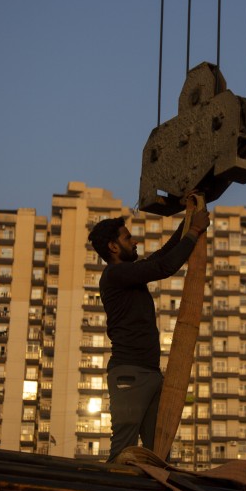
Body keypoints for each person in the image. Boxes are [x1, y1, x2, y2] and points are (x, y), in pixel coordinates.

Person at [87, 194, 209, 462]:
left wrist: (188, 223)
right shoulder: (115, 275)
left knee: (159, 452)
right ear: (113, 247)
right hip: (130, 375)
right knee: (123, 450)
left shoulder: (128, 274)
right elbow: (165, 266)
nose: (135, 242)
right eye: (128, 238)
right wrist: (196, 231)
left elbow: (162, 255)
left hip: (150, 375)